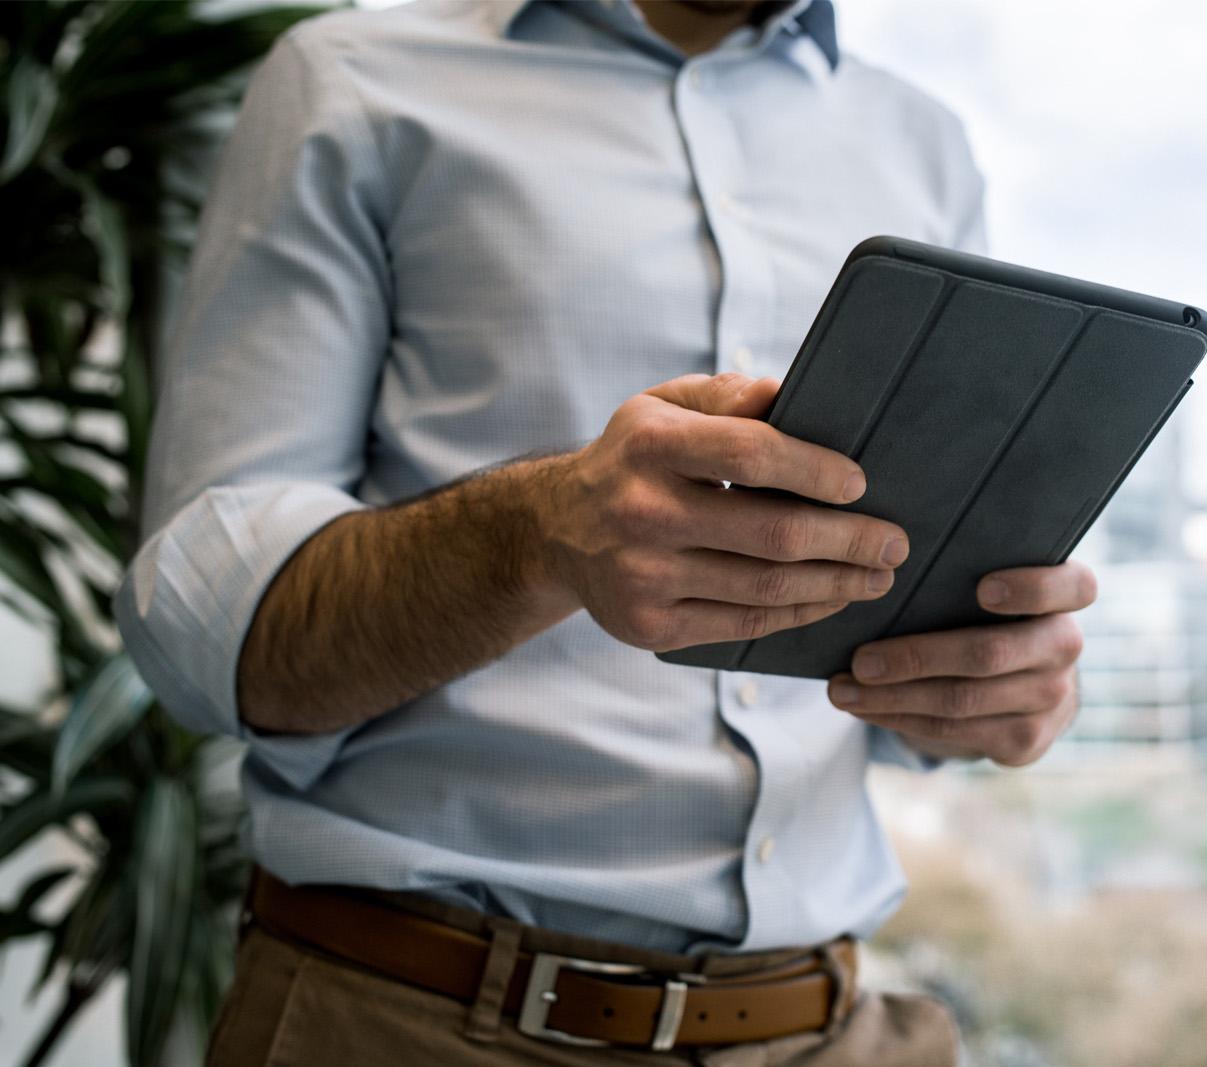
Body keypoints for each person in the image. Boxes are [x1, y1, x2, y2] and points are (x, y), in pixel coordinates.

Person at [114, 1, 1096, 1063]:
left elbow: (914, 614)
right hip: (414, 1022)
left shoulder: (921, 142)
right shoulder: (352, 79)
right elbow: (211, 638)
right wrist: (537, 534)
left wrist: (989, 680)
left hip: (833, 1023)